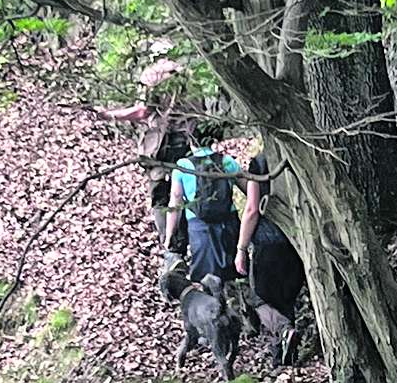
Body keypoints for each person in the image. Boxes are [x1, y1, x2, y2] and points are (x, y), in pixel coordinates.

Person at [96, 57, 195, 246]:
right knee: (183, 193)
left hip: (161, 145)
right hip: (187, 141)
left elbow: (143, 111)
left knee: (160, 196)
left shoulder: (152, 77)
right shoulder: (188, 77)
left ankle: (171, 247)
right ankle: (184, 243)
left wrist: (110, 115)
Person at [235, 154, 306, 364]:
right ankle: (284, 357)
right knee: (285, 297)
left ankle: (284, 331)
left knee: (259, 298)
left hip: (267, 240)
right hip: (296, 236)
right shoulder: (296, 151)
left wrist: (241, 248)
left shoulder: (259, 163)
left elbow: (251, 209)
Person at [163, 128, 246, 283]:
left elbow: (175, 204)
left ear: (190, 142)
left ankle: (209, 304)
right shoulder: (227, 161)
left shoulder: (182, 165)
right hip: (229, 224)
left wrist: (169, 236)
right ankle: (235, 302)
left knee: (204, 277)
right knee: (232, 275)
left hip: (199, 227)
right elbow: (249, 189)